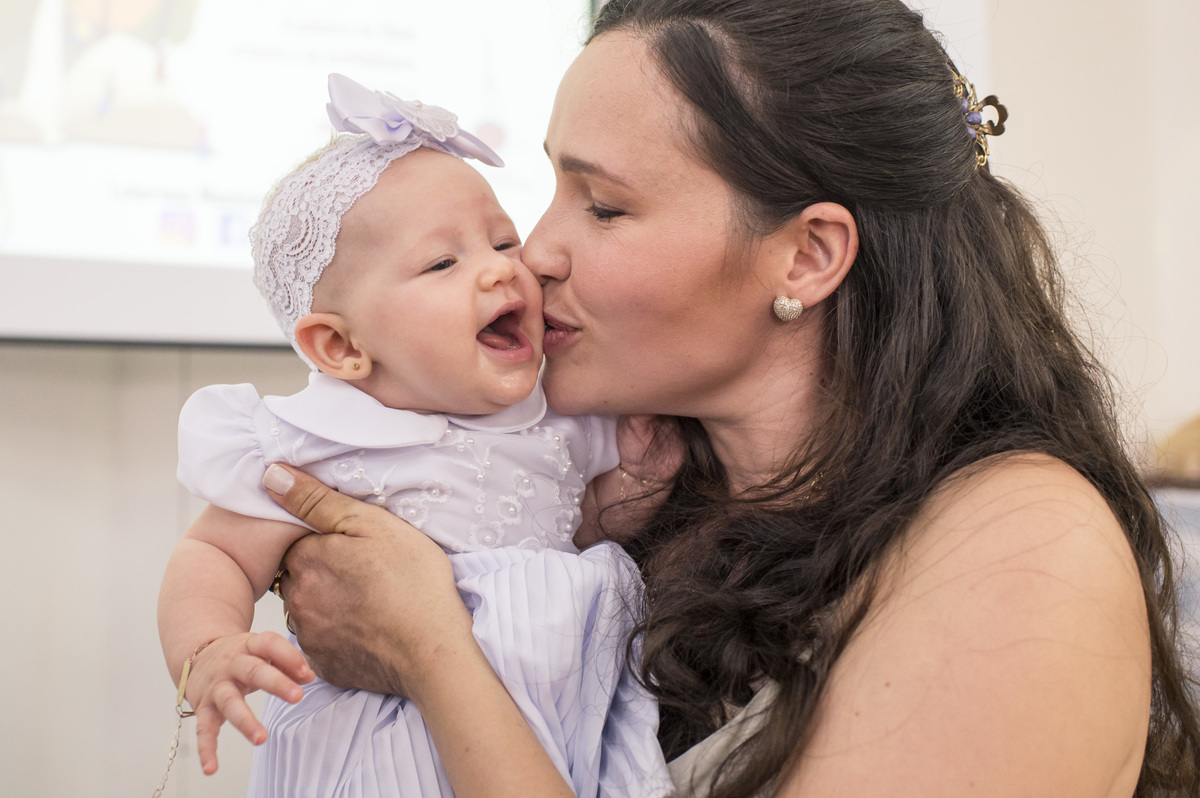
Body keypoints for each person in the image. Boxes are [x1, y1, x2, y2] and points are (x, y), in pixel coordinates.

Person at [197, 1, 1200, 796]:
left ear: (807, 255)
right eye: (547, 191)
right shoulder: (643, 489)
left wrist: (431, 650)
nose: (536, 252)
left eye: (603, 204)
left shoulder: (1024, 548)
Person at [157, 73, 674, 798]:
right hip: (385, 738)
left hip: (554, 727)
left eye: (502, 240)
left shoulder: (558, 413)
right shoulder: (322, 442)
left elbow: (585, 521)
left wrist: (641, 483)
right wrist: (209, 648)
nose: (501, 270)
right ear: (340, 349)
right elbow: (214, 552)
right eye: (443, 262)